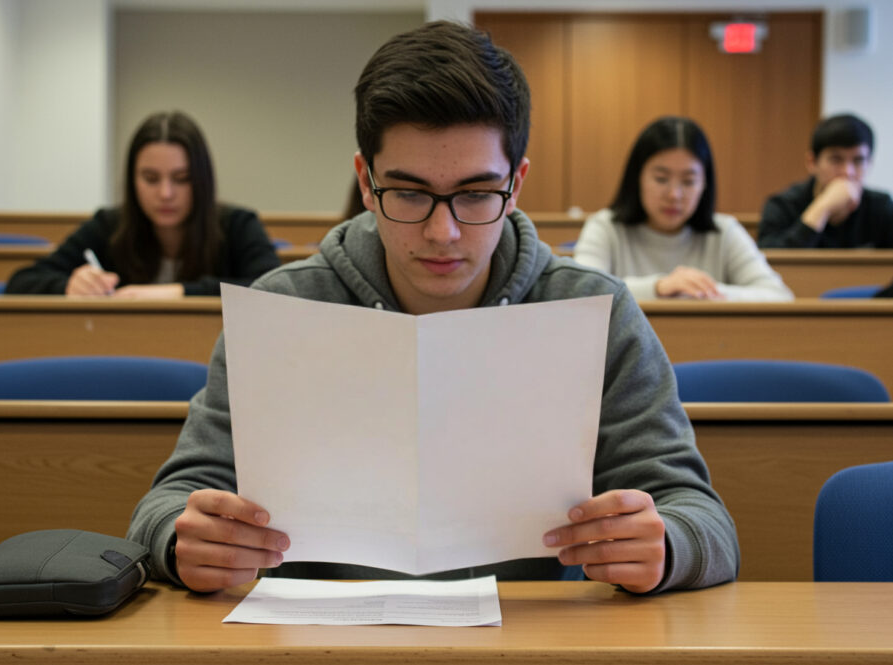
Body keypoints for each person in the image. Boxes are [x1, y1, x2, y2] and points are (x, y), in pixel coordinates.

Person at [128, 21, 739, 595]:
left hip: (526, 644)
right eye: (410, 193)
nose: (443, 232)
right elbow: (165, 505)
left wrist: (669, 545)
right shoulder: (283, 308)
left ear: (516, 182)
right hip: (320, 642)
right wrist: (180, 542)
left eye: (476, 194)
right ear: (366, 181)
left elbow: (704, 521)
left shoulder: (591, 310)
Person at [5, 111, 280, 297]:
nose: (165, 193)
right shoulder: (108, 226)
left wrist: (179, 292)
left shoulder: (237, 225)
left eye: (181, 179)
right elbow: (21, 282)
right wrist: (69, 285)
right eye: (150, 179)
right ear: (132, 179)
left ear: (202, 180)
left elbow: (275, 291)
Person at [574, 117, 793, 302]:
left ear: (704, 184)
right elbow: (580, 293)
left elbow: (779, 296)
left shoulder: (725, 231)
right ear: (637, 177)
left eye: (688, 181)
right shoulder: (605, 227)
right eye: (661, 179)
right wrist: (658, 287)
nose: (674, 195)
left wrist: (702, 290)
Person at [758, 113, 893, 249]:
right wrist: (822, 208)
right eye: (836, 159)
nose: (847, 172)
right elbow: (769, 261)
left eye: (858, 161)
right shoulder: (783, 205)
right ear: (812, 162)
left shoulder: (881, 206)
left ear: (869, 164)